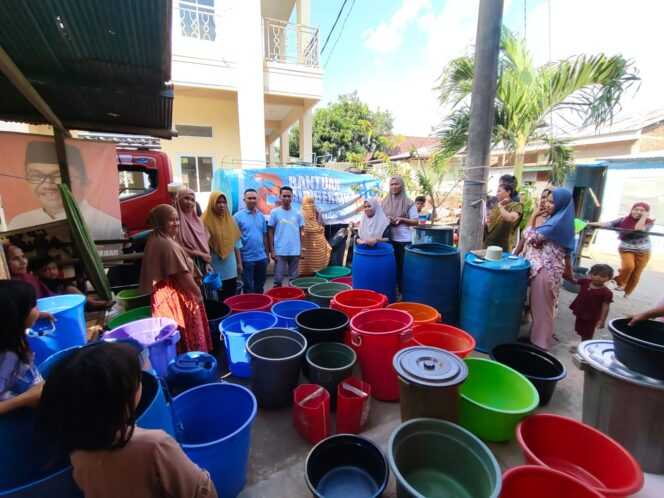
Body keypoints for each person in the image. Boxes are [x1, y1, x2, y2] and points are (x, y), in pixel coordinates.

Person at [38, 342, 217, 498]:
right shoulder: (154, 445)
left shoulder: (78, 454)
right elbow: (199, 491)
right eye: (137, 379)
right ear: (122, 397)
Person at [8, 141, 121, 240]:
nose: (48, 185)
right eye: (36, 176)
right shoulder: (19, 223)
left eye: (60, 176)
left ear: (84, 181)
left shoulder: (109, 225)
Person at [139, 205, 211, 354]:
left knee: (172, 333)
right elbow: (181, 273)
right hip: (176, 298)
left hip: (164, 297)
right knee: (184, 331)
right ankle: (191, 362)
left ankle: (179, 360)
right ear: (159, 222)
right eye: (170, 220)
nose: (176, 224)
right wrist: (197, 294)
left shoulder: (159, 238)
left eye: (177, 220)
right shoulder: (164, 243)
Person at [522, 188, 575, 350]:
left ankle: (541, 345)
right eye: (547, 200)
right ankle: (536, 338)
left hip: (544, 270)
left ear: (561, 203)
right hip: (549, 269)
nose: (547, 204)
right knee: (539, 307)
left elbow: (529, 235)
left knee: (542, 309)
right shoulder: (562, 219)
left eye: (552, 202)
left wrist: (533, 216)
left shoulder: (555, 222)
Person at [587, 202, 654, 298]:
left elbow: (638, 228)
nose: (638, 212)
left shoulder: (649, 222)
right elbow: (608, 223)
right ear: (631, 210)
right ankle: (621, 283)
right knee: (629, 266)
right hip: (626, 248)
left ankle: (627, 293)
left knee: (636, 274)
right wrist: (589, 223)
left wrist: (644, 217)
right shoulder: (623, 220)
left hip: (644, 251)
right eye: (635, 209)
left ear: (646, 212)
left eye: (642, 210)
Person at [0, 281, 45, 415]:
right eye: (33, 305)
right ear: (16, 316)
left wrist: (39, 315)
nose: (38, 308)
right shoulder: (7, 356)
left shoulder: (10, 335)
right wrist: (27, 398)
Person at [29, 255, 115, 310]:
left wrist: (74, 279)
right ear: (37, 273)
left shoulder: (53, 280)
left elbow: (61, 282)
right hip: (56, 303)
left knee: (69, 287)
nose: (52, 272)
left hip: (64, 299)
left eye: (54, 268)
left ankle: (88, 301)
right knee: (69, 288)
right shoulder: (41, 283)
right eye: (46, 270)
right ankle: (91, 303)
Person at [201, 192, 243, 301]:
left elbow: (236, 244)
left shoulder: (231, 220)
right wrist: (207, 263)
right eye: (218, 202)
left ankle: (230, 316)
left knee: (231, 294)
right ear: (212, 203)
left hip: (230, 265)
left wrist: (239, 263)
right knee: (216, 297)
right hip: (213, 265)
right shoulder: (203, 221)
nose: (222, 205)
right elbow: (201, 245)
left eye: (224, 202)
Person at [381, 176, 418, 292]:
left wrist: (402, 220)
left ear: (401, 185)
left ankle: (403, 290)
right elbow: (380, 218)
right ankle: (392, 289)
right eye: (391, 185)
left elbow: (415, 221)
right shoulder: (384, 202)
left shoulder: (409, 203)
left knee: (403, 267)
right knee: (391, 266)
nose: (394, 187)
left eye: (396, 184)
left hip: (404, 240)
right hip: (388, 239)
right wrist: (387, 218)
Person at [568, 264, 614, 352]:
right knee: (581, 330)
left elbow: (605, 307)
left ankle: (584, 350)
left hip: (591, 317)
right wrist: (566, 275)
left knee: (587, 334)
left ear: (609, 278)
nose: (598, 277)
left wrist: (602, 321)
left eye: (602, 276)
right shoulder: (585, 282)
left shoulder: (606, 292)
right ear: (590, 274)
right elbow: (574, 281)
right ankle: (582, 346)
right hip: (581, 312)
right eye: (595, 274)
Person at [233, 189, 269, 294]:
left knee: (260, 286)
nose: (252, 200)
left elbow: (264, 236)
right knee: (248, 288)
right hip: (247, 258)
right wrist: (239, 262)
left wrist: (267, 254)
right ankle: (250, 308)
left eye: (254, 198)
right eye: (249, 198)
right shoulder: (237, 217)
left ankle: (260, 307)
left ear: (257, 199)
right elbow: (236, 240)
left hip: (261, 257)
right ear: (244, 199)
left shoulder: (261, 216)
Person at [268, 187, 304, 287]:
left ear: (292, 197)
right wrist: (272, 250)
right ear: (280, 197)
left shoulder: (298, 213)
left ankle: (292, 300)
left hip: (295, 251)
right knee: (278, 280)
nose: (287, 198)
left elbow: (302, 232)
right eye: (284, 196)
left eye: (289, 196)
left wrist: (302, 249)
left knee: (294, 280)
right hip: (280, 251)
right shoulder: (274, 212)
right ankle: (278, 299)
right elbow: (270, 231)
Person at [175, 188, 213, 278]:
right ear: (179, 200)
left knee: (203, 291)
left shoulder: (198, 221)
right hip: (184, 265)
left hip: (202, 264)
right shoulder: (174, 222)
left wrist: (207, 263)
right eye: (186, 198)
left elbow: (204, 244)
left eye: (192, 200)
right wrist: (199, 254)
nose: (189, 202)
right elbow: (175, 247)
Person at [484, 183, 524, 252]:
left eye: (499, 191)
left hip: (503, 248)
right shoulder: (496, 206)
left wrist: (500, 207)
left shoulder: (517, 206)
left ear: (508, 192)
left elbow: (511, 218)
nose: (497, 194)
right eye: (497, 192)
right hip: (488, 245)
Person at [299, 196, 332, 276]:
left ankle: (316, 276)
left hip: (317, 245)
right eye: (308, 202)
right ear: (304, 203)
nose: (310, 205)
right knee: (305, 264)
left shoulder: (315, 212)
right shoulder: (301, 215)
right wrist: (317, 229)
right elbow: (306, 229)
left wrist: (318, 227)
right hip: (306, 244)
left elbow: (322, 224)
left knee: (316, 261)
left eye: (312, 202)